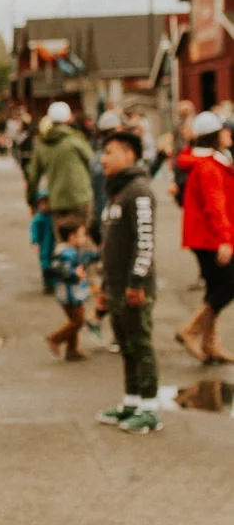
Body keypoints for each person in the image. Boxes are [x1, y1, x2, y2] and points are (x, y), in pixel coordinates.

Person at [95, 130, 161, 435]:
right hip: (116, 287)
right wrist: (105, 288)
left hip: (135, 287)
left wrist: (137, 283)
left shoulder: (139, 191)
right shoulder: (116, 192)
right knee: (126, 345)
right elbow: (110, 246)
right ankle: (132, 402)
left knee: (141, 344)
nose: (103, 159)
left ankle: (150, 410)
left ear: (129, 155)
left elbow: (145, 242)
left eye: (109, 152)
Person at [173, 113, 234, 366]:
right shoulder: (209, 166)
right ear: (215, 135)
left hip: (204, 236)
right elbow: (215, 205)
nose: (228, 133)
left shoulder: (205, 161)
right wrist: (225, 240)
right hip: (210, 237)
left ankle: (211, 344)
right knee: (228, 286)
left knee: (215, 286)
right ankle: (191, 330)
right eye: (224, 129)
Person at [26, 102, 94, 245]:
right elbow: (92, 162)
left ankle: (65, 265)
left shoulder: (41, 143)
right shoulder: (75, 138)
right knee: (82, 237)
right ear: (68, 118)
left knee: (63, 242)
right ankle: (83, 266)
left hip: (57, 200)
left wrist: (31, 201)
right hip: (80, 197)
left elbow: (33, 177)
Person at [46, 212, 97, 361]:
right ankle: (55, 338)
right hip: (69, 294)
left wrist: (97, 255)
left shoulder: (73, 252)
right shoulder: (65, 253)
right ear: (72, 237)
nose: (84, 238)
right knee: (77, 321)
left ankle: (72, 350)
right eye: (82, 235)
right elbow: (62, 269)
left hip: (74, 293)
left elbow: (85, 258)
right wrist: (75, 274)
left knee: (75, 321)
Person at [29, 185, 55, 294]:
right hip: (44, 245)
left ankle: (53, 283)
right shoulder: (39, 218)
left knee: (55, 263)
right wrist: (35, 242)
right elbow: (34, 230)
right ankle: (47, 284)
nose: (44, 206)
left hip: (53, 243)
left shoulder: (53, 216)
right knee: (45, 264)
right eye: (42, 203)